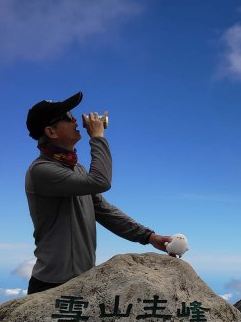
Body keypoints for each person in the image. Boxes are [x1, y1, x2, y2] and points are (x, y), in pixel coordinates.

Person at [24, 91, 172, 294]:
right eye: (68, 117)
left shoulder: (76, 170)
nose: (76, 119)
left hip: (80, 280)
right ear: (51, 132)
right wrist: (97, 137)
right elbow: (100, 181)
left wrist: (149, 236)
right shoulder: (42, 170)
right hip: (52, 284)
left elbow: (103, 210)